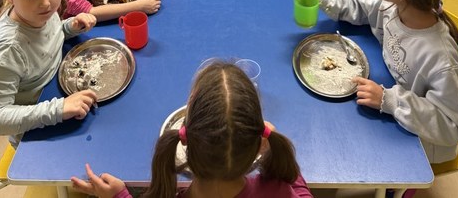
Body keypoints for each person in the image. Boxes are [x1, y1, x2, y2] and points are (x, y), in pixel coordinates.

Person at [295, 0, 458, 165]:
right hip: (391, 98)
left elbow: (451, 125)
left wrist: (390, 100)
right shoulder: (393, 5)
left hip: (422, 142)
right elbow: (361, 5)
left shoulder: (440, 58)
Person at [72, 60, 313, 198]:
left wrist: (119, 195)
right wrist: (283, 165)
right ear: (260, 143)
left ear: (185, 137)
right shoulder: (278, 191)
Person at [0, 0, 97, 146]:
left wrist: (70, 27)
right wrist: (58, 109)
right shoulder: (9, 49)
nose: (46, 3)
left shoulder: (38, 14)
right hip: (37, 128)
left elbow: (49, 36)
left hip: (58, 89)